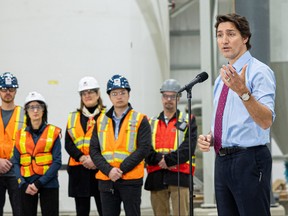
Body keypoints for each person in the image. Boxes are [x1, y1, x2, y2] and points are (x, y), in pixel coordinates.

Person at [197, 13, 276, 216]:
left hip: (249, 160)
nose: (224, 40)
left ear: (245, 38)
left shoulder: (259, 72)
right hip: (222, 160)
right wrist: (210, 137)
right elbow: (229, 120)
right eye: (219, 34)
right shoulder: (220, 79)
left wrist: (243, 91)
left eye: (231, 34)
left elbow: (266, 121)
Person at [90, 74, 151, 216]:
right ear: (109, 97)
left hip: (130, 179)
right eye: (114, 93)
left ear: (129, 94)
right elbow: (94, 150)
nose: (119, 96)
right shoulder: (100, 121)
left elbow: (144, 148)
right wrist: (109, 170)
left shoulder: (140, 119)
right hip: (107, 178)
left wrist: (120, 169)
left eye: (123, 92)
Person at [145, 79, 198, 216]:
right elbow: (145, 147)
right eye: (165, 96)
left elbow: (188, 147)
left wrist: (168, 160)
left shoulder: (188, 120)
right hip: (156, 177)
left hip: (180, 176)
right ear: (162, 97)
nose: (168, 99)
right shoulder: (151, 123)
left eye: (172, 96)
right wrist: (159, 160)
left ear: (179, 98)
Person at [13, 91, 62, 216]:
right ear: (27, 111)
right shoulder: (19, 134)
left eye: (38, 107)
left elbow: (57, 162)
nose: (35, 110)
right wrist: (22, 183)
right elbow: (15, 161)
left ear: (43, 110)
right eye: (31, 107)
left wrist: (39, 183)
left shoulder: (53, 132)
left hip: (49, 183)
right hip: (26, 184)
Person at [65, 76, 104, 216]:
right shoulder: (73, 116)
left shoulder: (108, 116)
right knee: (82, 211)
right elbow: (68, 143)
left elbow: (110, 142)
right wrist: (82, 158)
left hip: (101, 169)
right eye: (84, 93)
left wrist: (95, 160)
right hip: (78, 170)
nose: (87, 95)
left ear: (98, 94)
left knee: (104, 209)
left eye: (91, 92)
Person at [0, 72, 25, 216]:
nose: (7, 92)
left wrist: (11, 161)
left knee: (20, 211)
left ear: (16, 90)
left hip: (17, 172)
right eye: (4, 89)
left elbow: (31, 142)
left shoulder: (24, 114)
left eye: (11, 89)